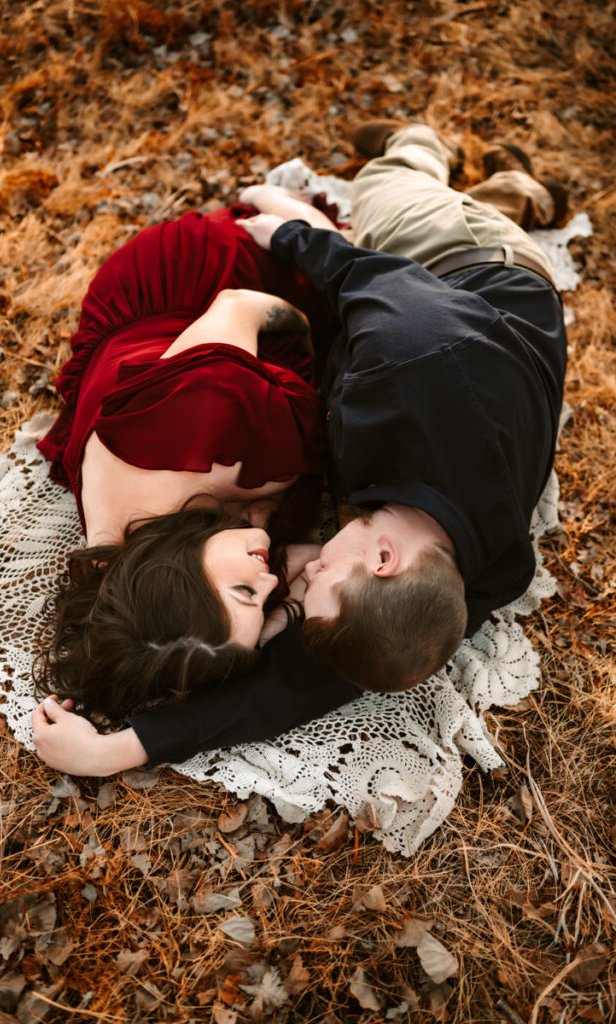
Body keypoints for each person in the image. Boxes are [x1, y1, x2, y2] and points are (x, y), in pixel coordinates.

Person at [33, 123, 567, 775]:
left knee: (390, 205)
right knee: (383, 216)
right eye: (304, 586)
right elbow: (377, 283)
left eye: (280, 595)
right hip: (468, 274)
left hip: (457, 300)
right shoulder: (409, 369)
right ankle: (457, 171)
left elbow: (315, 676)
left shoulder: (460, 576)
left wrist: (131, 745)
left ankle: (462, 168)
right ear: (382, 557)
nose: (293, 569)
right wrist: (293, 235)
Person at [31, 203, 340, 728]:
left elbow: (239, 306)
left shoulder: (209, 426)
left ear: (176, 581)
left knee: (343, 264)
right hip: (157, 358)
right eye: (263, 604)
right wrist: (265, 622)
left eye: (248, 592)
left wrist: (321, 323)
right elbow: (317, 561)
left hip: (188, 280)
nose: (270, 585)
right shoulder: (138, 576)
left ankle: (283, 206)